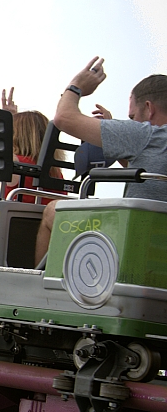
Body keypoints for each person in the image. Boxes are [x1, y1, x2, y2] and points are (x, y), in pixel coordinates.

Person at [34, 58, 167, 264]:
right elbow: (148, 171)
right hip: (160, 245)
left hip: (137, 242)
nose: (131, 123)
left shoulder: (147, 134)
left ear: (149, 109)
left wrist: (76, 86)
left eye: (132, 118)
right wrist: (116, 138)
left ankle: (40, 291)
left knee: (53, 210)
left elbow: (63, 117)